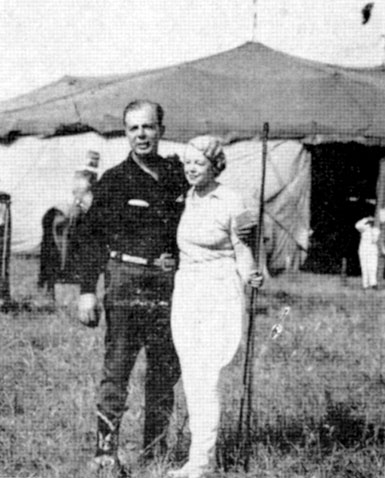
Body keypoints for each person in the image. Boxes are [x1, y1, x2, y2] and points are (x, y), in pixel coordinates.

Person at [77, 100, 187, 476]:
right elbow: (90, 237)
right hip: (124, 282)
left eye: (148, 127)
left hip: (167, 288)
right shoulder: (114, 179)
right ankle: (106, 455)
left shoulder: (177, 176)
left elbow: (189, 226)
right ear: (125, 132)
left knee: (164, 370)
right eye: (133, 128)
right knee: (117, 370)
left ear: (161, 129)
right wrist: (87, 290)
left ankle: (155, 454)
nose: (141, 135)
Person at [168, 136, 263, 478]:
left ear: (215, 165)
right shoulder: (186, 198)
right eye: (187, 163)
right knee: (192, 376)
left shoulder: (230, 200)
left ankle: (201, 462)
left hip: (218, 291)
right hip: (187, 290)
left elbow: (244, 248)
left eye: (199, 163)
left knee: (204, 378)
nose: (191, 169)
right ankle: (199, 457)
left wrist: (252, 273)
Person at [355, 216, 380, 290]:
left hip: (372, 250)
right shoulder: (364, 228)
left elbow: (374, 239)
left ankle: (373, 284)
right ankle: (365, 285)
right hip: (363, 250)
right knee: (364, 267)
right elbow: (357, 225)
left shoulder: (376, 230)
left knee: (373, 267)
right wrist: (365, 219)